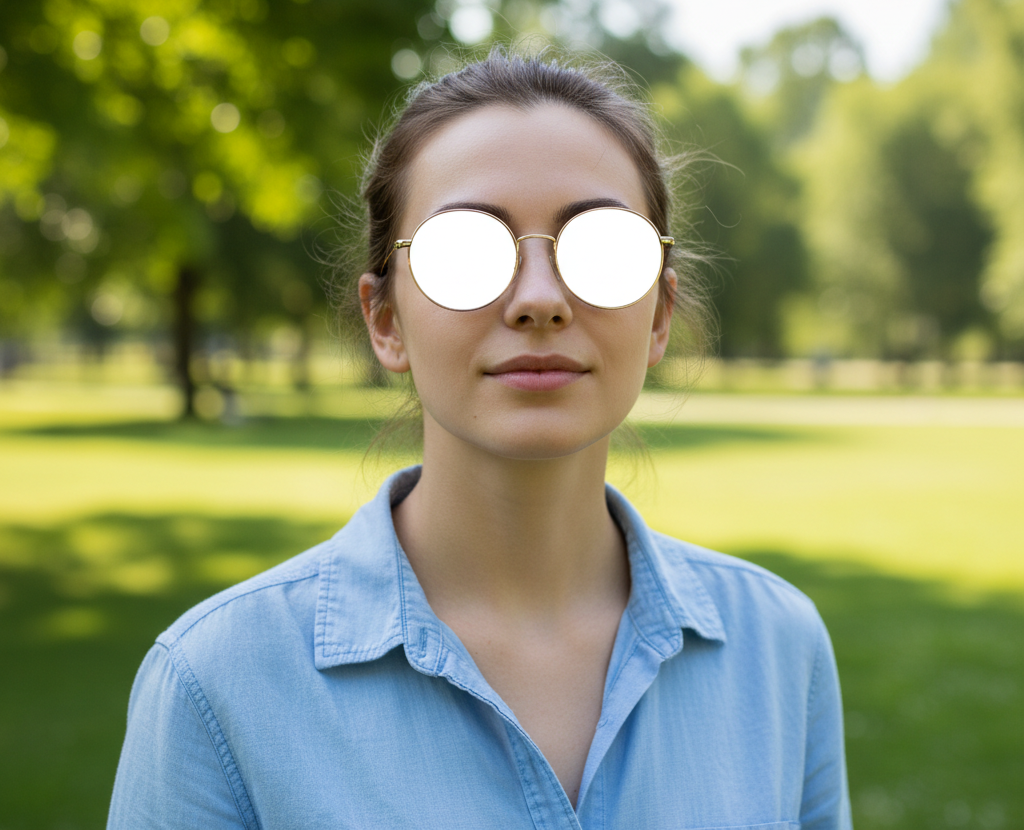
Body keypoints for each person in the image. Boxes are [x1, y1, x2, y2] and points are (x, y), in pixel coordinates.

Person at [107, 48, 852, 829]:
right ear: (385, 320)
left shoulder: (778, 648)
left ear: (660, 315)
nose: (539, 300)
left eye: (601, 249)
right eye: (465, 251)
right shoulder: (215, 683)